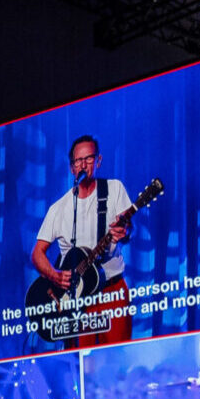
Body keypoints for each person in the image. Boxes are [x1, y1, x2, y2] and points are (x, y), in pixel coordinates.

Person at [31, 135, 133, 348]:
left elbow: (128, 227)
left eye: (89, 158)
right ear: (71, 168)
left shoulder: (114, 190)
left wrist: (125, 230)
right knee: (80, 362)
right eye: (78, 161)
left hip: (110, 291)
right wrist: (55, 275)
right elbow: (37, 254)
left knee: (116, 357)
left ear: (98, 161)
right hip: (77, 300)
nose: (83, 165)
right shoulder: (58, 208)